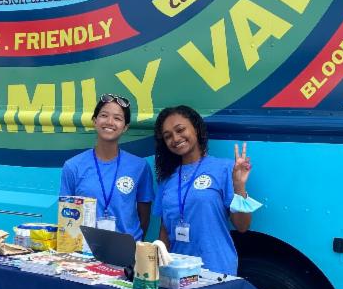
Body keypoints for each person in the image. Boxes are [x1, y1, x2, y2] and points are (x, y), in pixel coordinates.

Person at [153, 105, 258, 276]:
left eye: (180, 130)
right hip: (177, 272)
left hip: (216, 269)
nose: (175, 138)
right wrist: (157, 268)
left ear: (196, 128)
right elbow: (165, 229)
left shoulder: (224, 168)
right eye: (168, 136)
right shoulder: (167, 178)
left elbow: (242, 225)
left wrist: (239, 186)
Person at [59, 94, 153, 241]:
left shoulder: (139, 167)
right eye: (104, 115)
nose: (110, 122)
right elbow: (66, 216)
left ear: (125, 127)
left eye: (117, 118)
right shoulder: (73, 166)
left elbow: (144, 216)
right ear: (95, 121)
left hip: (126, 253)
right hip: (86, 252)